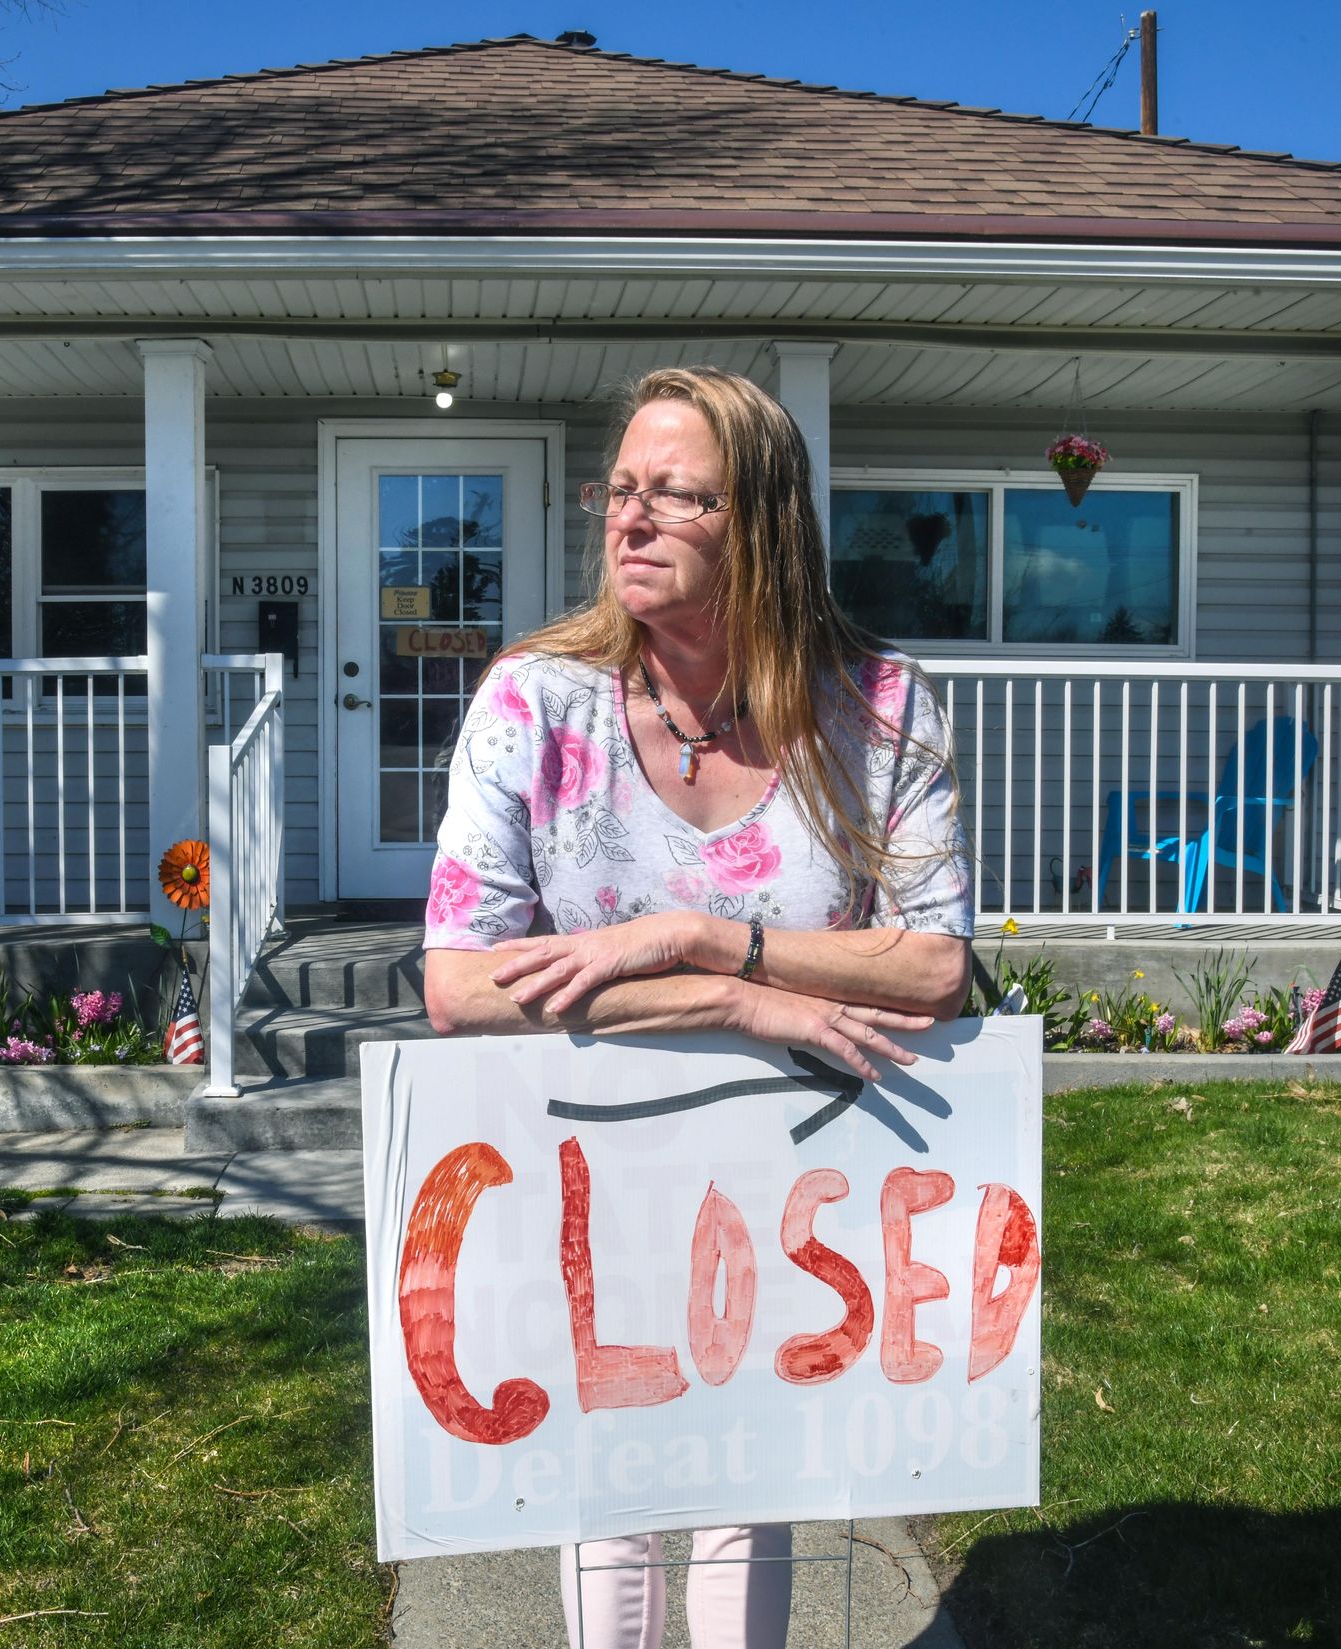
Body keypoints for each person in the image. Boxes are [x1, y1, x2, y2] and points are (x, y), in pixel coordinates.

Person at [421, 365, 975, 1649]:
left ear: (764, 523)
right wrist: (738, 1006)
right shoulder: (533, 700)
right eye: (618, 489)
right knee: (605, 1490)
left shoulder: (879, 707)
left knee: (748, 1478)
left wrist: (704, 941)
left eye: (677, 494)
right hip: (587, 1153)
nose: (629, 518)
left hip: (791, 1176)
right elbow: (458, 981)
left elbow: (932, 965)